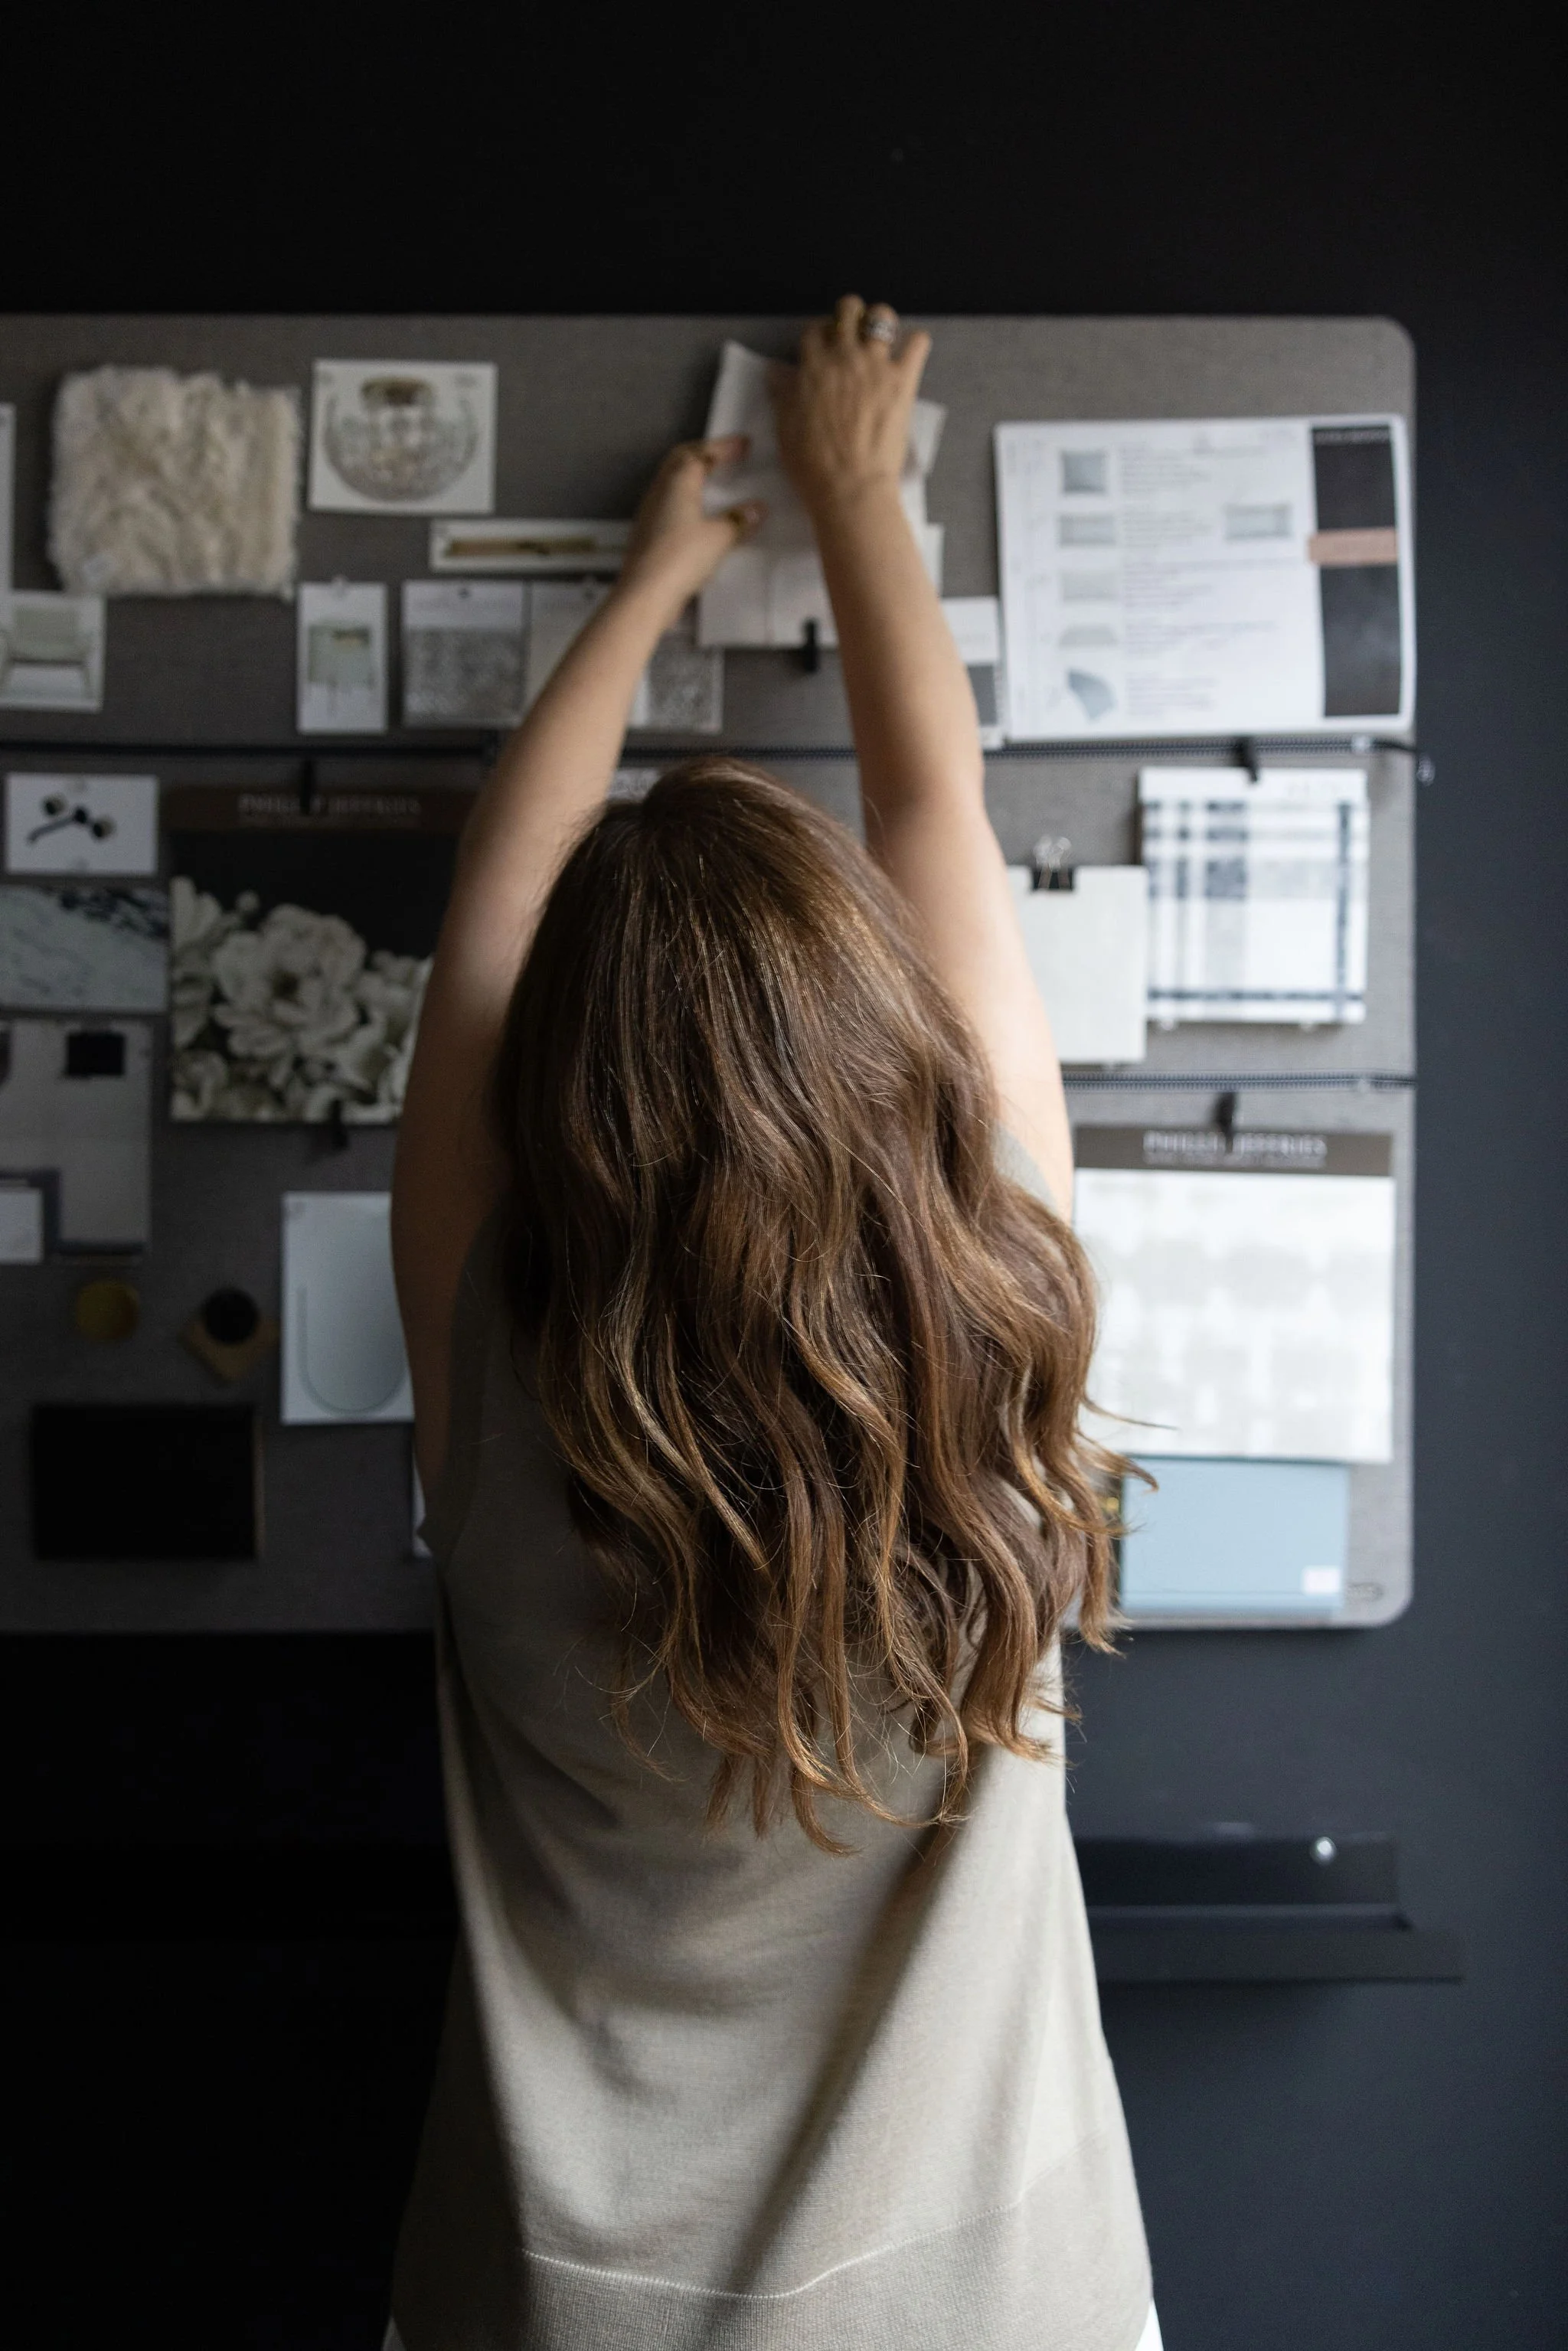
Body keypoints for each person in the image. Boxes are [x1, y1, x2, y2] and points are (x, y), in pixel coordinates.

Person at [388, 296, 1157, 2351]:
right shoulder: (1000, 1303)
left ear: (559, 1095)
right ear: (892, 1052)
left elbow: (504, 880)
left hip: (569, 2305)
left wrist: (655, 574)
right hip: (995, 2296)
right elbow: (939, 811)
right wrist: (854, 492)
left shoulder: (491, 1362)